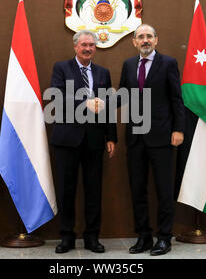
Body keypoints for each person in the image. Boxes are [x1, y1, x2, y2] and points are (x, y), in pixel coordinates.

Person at [118, 24, 185, 256]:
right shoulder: (128, 65)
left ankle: (164, 238)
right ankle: (144, 237)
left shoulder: (168, 63)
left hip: (163, 137)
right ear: (134, 42)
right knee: (138, 190)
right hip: (135, 138)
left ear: (156, 40)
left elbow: (177, 99)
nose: (145, 40)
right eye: (140, 37)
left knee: (164, 190)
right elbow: (122, 96)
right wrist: (101, 102)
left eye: (149, 36)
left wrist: (179, 129)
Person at [50, 30, 117, 253]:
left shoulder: (102, 72)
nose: (88, 48)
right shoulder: (61, 68)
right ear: (75, 46)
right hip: (67, 139)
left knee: (93, 191)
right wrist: (84, 103)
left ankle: (92, 238)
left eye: (91, 45)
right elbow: (57, 97)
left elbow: (107, 106)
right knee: (66, 191)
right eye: (84, 45)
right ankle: (67, 237)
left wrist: (111, 137)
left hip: (94, 140)